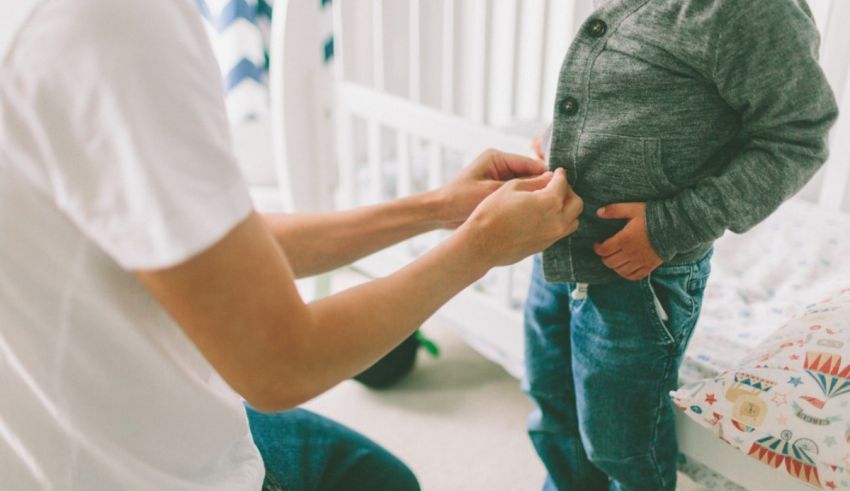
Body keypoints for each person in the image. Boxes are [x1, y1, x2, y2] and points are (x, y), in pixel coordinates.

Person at [0, 0, 584, 490]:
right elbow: (280, 364)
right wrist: (479, 247)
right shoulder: (109, 28)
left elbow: (209, 242)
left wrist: (434, 209)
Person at [523, 0, 838, 490]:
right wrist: (564, 141)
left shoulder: (753, 13)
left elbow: (798, 137)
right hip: (560, 246)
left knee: (620, 442)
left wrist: (673, 223)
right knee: (553, 406)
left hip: (639, 274)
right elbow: (636, 96)